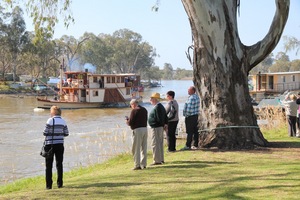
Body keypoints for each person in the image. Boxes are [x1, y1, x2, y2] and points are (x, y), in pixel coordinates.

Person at [42, 106, 69, 189]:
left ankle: (48, 185)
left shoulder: (50, 120)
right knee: (59, 164)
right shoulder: (63, 121)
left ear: (53, 112)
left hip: (50, 144)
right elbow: (66, 133)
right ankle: (60, 184)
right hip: (60, 144)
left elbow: (44, 132)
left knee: (49, 165)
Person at [126, 99, 148, 170]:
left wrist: (127, 121)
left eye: (131, 105)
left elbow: (130, 122)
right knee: (144, 147)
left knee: (136, 148)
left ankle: (137, 165)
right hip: (145, 129)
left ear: (133, 104)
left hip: (137, 130)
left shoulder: (134, 110)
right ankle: (143, 164)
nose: (131, 107)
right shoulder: (144, 109)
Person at [148, 92, 168, 165]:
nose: (150, 100)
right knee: (159, 143)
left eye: (151, 99)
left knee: (155, 144)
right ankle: (160, 159)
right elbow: (165, 117)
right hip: (159, 127)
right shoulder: (160, 106)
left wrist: (163, 124)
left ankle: (157, 160)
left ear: (155, 99)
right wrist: (165, 124)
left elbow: (160, 118)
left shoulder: (158, 107)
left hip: (156, 127)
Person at [182, 86, 200, 150]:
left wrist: (185, 114)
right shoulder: (197, 97)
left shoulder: (191, 98)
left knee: (189, 131)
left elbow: (189, 109)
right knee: (195, 131)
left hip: (190, 116)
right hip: (195, 116)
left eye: (189, 90)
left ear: (193, 91)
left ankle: (188, 145)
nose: (188, 91)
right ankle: (195, 144)